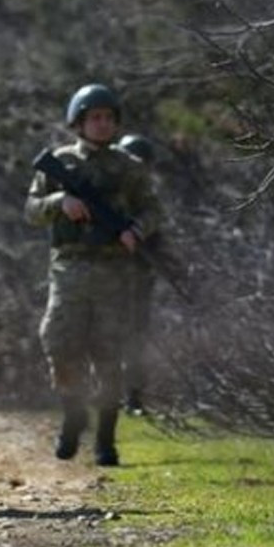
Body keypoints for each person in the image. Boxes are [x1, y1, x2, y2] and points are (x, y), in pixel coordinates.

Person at [25, 84, 161, 467]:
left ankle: (105, 439)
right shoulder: (60, 161)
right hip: (69, 267)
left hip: (114, 271)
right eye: (94, 118)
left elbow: (153, 209)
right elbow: (31, 209)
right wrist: (59, 202)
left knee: (108, 355)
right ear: (79, 122)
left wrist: (136, 230)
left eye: (108, 118)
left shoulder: (129, 168)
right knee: (58, 341)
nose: (102, 124)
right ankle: (73, 412)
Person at [117, 133, 157, 415]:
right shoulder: (112, 195)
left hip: (138, 277)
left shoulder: (147, 200)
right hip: (105, 275)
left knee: (136, 338)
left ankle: (133, 396)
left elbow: (157, 232)